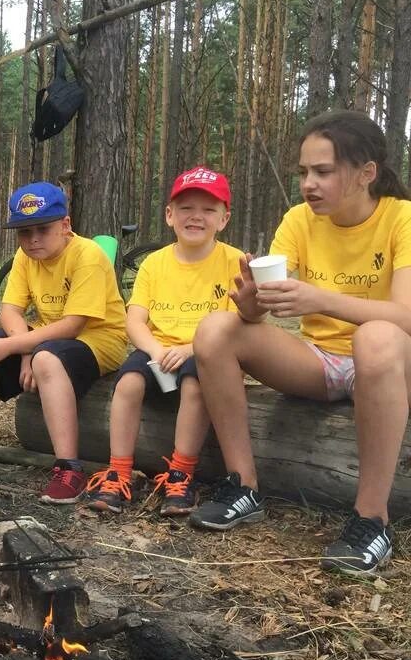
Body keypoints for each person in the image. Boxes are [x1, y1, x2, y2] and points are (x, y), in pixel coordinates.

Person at [191, 110, 411, 575]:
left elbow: (405, 317)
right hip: (321, 363)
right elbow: (257, 314)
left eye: (324, 171)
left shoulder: (401, 219)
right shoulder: (299, 220)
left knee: (376, 337)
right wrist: (250, 301)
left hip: (391, 363)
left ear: (366, 173)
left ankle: (371, 519)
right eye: (304, 172)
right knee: (215, 330)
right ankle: (243, 486)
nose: (309, 183)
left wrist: (321, 298)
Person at [0, 181, 127, 503]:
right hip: (46, 338)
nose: (33, 239)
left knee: (46, 358)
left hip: (99, 339)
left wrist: (25, 349)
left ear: (65, 225)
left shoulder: (88, 255)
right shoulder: (25, 256)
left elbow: (73, 325)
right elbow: (10, 310)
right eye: (23, 232)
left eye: (43, 229)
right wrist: (24, 348)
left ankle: (70, 468)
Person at [84, 167, 242, 516]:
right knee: (127, 384)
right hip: (158, 350)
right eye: (186, 208)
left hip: (204, 353)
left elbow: (235, 323)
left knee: (195, 387)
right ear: (170, 215)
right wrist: (154, 349)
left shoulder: (234, 261)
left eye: (208, 209)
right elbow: (135, 319)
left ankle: (180, 475)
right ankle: (118, 473)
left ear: (224, 218)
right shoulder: (154, 264)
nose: (196, 216)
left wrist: (190, 349)